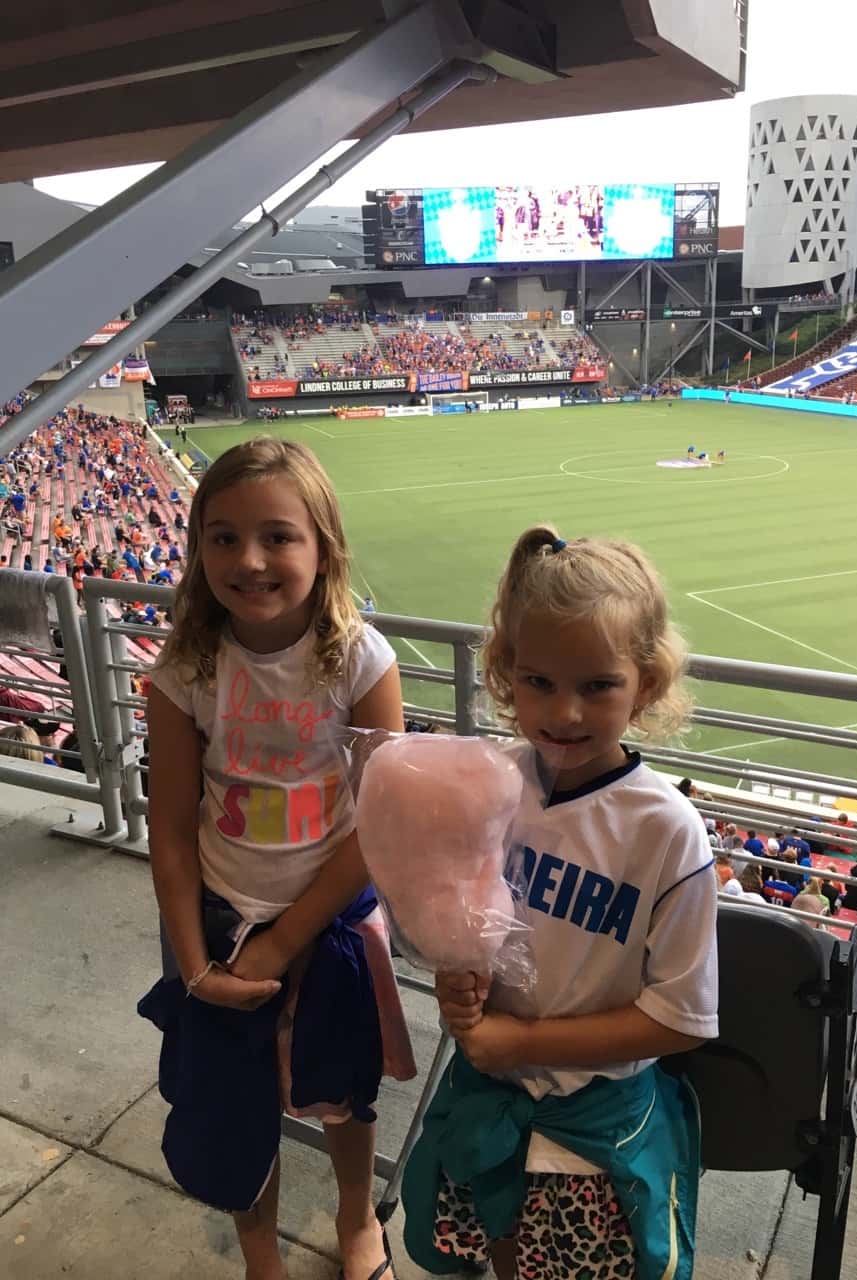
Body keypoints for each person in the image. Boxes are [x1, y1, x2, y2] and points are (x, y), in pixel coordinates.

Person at [404, 525, 719, 1280]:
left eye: (597, 685)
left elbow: (677, 1020)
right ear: (506, 672)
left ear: (645, 683)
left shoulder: (667, 834)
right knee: (501, 1252)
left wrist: (521, 1043)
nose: (565, 712)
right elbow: (459, 923)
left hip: (595, 1128)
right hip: (490, 1091)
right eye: (539, 681)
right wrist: (457, 979)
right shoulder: (489, 785)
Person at [140, 438, 414, 1280]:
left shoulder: (361, 662)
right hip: (215, 919)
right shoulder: (187, 666)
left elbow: (378, 829)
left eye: (277, 536)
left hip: (327, 921)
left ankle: (356, 1215)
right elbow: (172, 827)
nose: (249, 560)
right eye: (222, 536)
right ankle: (261, 1253)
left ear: (323, 545)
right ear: (197, 547)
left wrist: (279, 944)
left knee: (341, 1091)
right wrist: (195, 965)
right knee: (232, 1102)